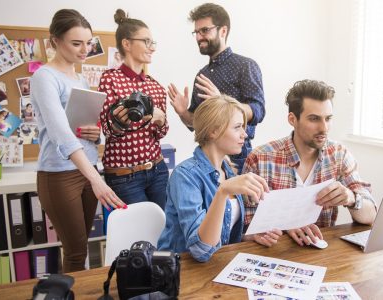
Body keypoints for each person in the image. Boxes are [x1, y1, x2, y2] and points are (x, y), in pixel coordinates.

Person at [30, 9, 126, 273]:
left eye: (88, 43)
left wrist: (96, 134)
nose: (85, 50)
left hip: (87, 169)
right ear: (54, 42)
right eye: (76, 43)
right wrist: (96, 179)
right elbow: (60, 132)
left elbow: (83, 127)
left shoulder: (81, 78)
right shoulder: (44, 77)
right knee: (75, 251)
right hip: (59, 174)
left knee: (84, 245)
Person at [243, 80, 377, 247]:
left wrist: (351, 198)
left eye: (328, 119)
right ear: (292, 119)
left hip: (324, 255)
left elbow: (370, 216)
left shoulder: (339, 155)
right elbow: (244, 228)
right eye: (314, 119)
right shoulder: (260, 158)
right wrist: (285, 228)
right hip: (274, 255)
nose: (324, 128)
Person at [158, 95, 281, 262]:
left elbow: (220, 236)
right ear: (213, 131)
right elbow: (201, 251)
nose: (244, 134)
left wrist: (247, 237)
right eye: (237, 127)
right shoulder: (184, 176)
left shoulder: (228, 170)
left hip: (217, 265)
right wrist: (222, 192)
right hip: (179, 270)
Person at [168, 3, 265, 173]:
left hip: (237, 155)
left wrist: (222, 101)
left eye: (204, 30)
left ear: (223, 31)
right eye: (196, 32)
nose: (199, 37)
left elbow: (258, 111)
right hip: (206, 157)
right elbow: (196, 124)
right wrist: (183, 112)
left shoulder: (246, 66)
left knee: (236, 201)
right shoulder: (202, 74)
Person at [98, 9, 169, 208]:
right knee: (141, 235)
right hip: (124, 177)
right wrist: (123, 120)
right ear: (127, 44)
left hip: (157, 170)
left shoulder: (155, 86)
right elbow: (108, 131)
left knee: (164, 228)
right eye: (146, 41)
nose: (152, 48)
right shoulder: (109, 79)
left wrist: (160, 120)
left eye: (152, 42)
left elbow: (161, 133)